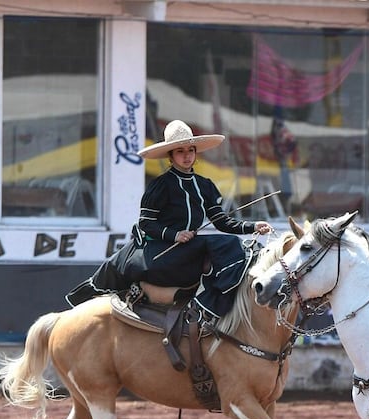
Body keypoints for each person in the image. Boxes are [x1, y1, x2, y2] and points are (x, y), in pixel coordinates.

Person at [66, 120, 273, 324]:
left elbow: (221, 222)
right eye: (180, 151)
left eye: (190, 150)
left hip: (188, 250)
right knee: (226, 244)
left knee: (234, 246)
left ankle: (217, 305)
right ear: (171, 155)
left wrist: (252, 226)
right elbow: (146, 223)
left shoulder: (205, 186)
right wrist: (175, 235)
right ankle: (207, 306)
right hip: (162, 251)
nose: (187, 156)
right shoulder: (161, 185)